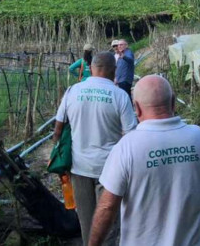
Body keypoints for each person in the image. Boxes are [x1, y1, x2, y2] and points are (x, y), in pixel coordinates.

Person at [88, 75, 200, 246]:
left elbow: (107, 207)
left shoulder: (127, 147)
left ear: (136, 108)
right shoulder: (199, 137)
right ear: (173, 102)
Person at [53, 52, 137, 246]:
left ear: (91, 69)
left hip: (78, 167)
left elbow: (57, 130)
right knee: (108, 222)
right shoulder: (120, 96)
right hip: (109, 170)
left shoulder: (72, 91)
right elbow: (132, 136)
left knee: (86, 221)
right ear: (113, 71)